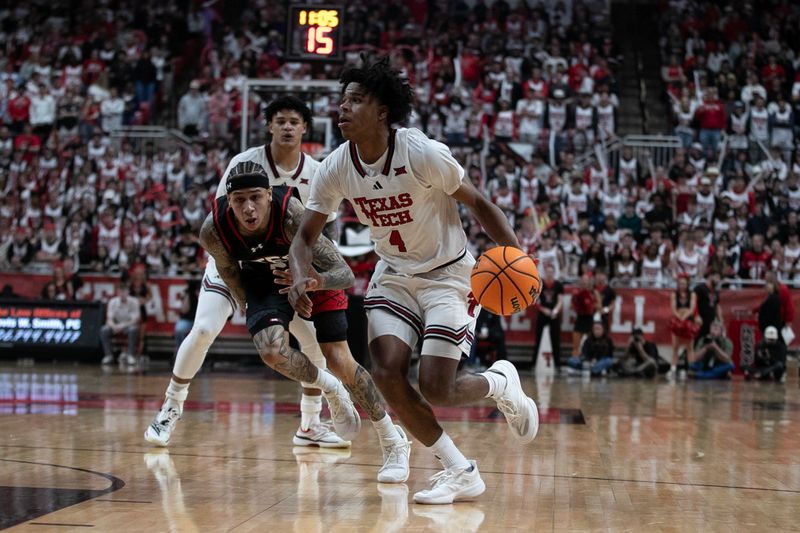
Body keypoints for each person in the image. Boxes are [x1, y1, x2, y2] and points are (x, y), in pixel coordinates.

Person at [288, 56, 539, 505]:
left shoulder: (422, 153)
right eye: (342, 101)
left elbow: (480, 204)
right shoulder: (335, 167)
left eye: (356, 101)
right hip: (395, 275)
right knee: (386, 372)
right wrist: (300, 276)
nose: (343, 109)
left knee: (438, 387)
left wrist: (516, 257)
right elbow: (305, 236)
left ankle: (500, 383)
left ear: (382, 112)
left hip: (449, 275)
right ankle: (459, 470)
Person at [146, 98, 410, 482]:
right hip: (240, 263)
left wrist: (304, 272)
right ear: (269, 126)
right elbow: (227, 228)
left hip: (294, 262)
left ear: (305, 128)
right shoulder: (242, 168)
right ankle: (170, 408)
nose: (287, 128)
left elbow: (330, 244)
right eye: (280, 121)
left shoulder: (316, 175)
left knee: (320, 348)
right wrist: (243, 295)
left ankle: (313, 424)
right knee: (206, 330)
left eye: (294, 122)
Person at [100, 280, 141, 366]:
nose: (122, 294)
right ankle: (108, 355)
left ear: (128, 291)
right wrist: (113, 326)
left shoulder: (134, 302)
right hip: (115, 326)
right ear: (117, 292)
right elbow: (109, 319)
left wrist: (122, 326)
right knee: (104, 329)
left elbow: (135, 320)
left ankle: (130, 355)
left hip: (128, 326)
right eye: (120, 291)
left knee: (133, 329)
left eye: (124, 291)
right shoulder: (112, 302)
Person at [533, 263, 563, 371]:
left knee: (556, 340)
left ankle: (558, 365)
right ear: (545, 272)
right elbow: (535, 300)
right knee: (538, 338)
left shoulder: (558, 285)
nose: (549, 274)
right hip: (543, 313)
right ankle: (533, 364)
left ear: (554, 273)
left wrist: (555, 311)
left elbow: (560, 301)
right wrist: (543, 309)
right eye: (547, 272)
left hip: (553, 314)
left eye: (551, 272)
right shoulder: (540, 284)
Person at [670, 275, 697, 376]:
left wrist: (684, 318)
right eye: (680, 283)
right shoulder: (674, 294)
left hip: (688, 321)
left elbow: (692, 309)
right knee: (675, 346)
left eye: (684, 283)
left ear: (687, 284)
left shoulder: (692, 294)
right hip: (677, 322)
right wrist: (679, 318)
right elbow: (673, 309)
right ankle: (673, 369)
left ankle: (691, 369)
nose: (682, 285)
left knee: (690, 347)